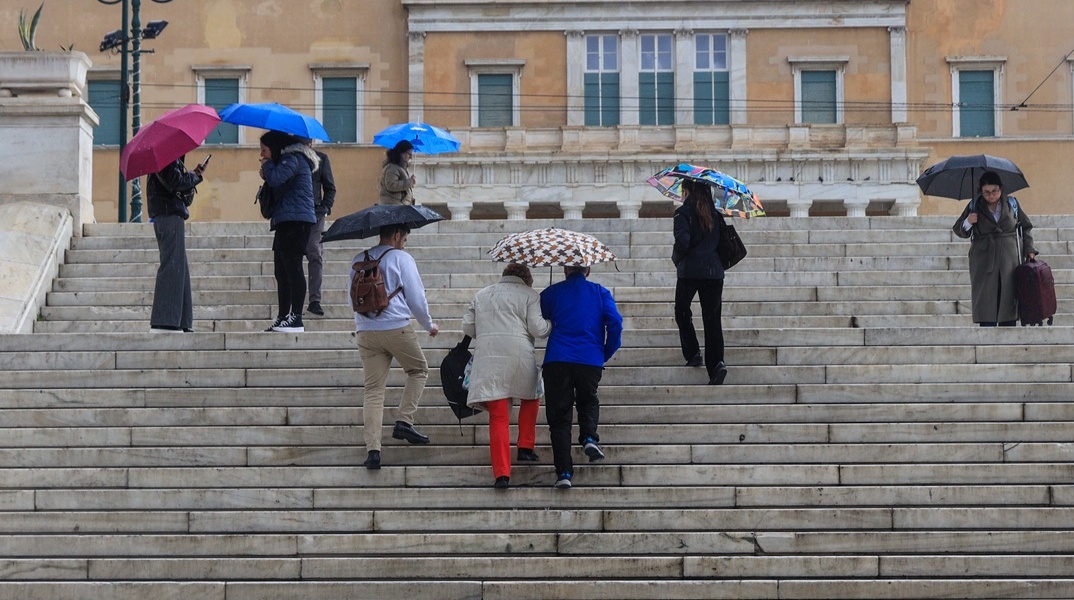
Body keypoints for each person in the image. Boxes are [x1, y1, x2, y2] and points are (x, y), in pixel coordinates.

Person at [353, 223, 439, 469]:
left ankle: (373, 451)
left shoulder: (360, 259)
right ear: (397, 234)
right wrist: (428, 325)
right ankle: (404, 421)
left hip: (366, 331)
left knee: (373, 391)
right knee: (418, 370)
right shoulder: (402, 258)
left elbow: (352, 296)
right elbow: (416, 297)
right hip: (396, 328)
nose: (405, 242)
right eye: (404, 238)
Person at [462, 263, 551, 489]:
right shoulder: (530, 295)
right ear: (527, 279)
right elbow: (538, 329)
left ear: (505, 275)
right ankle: (525, 447)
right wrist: (550, 324)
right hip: (520, 357)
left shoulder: (482, 295)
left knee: (499, 416)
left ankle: (502, 474)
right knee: (532, 397)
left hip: (489, 360)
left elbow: (468, 328)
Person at [540, 265, 623, 489]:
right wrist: (605, 352)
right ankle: (588, 437)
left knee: (559, 418)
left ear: (565, 268)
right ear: (588, 270)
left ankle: (564, 472)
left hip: (557, 358)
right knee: (588, 400)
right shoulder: (600, 292)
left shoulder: (552, 292)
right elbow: (615, 322)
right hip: (589, 359)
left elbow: (539, 320)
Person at [953, 171, 1037, 326]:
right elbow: (959, 229)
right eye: (986, 192)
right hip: (984, 256)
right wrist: (968, 221)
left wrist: (1029, 250)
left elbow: (1026, 227)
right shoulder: (974, 206)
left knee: (1008, 291)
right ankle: (986, 325)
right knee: (986, 295)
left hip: (1008, 256)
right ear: (981, 191)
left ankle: (1008, 324)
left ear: (1001, 189)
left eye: (994, 191)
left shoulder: (1012, 204)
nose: (991, 195)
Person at [259, 130, 319, 333]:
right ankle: (283, 316)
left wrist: (268, 167)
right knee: (281, 270)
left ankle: (297, 318)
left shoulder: (293, 159)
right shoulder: (286, 161)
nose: (262, 155)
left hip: (297, 221)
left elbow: (276, 179)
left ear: (274, 148)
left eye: (264, 150)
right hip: (286, 219)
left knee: (293, 268)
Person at [672, 179, 728, 385]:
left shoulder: (682, 213)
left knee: (682, 312)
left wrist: (676, 258)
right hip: (714, 272)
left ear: (686, 191)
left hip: (690, 272)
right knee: (712, 320)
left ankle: (693, 352)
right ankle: (716, 365)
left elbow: (682, 242)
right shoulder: (715, 214)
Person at [147, 155, 205, 333]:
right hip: (168, 215)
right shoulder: (166, 159)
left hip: (171, 215)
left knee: (180, 267)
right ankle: (166, 320)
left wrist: (194, 175)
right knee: (172, 266)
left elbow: (181, 191)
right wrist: (194, 176)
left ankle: (181, 319)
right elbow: (176, 183)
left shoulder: (172, 161)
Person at [301, 139, 336, 317]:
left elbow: (330, 188)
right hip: (296, 215)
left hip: (316, 213)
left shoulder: (321, 159)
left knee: (314, 251)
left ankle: (315, 299)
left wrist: (324, 207)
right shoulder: (291, 160)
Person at [378, 140, 416, 205]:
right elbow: (391, 185)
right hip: (393, 206)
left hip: (400, 206)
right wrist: (410, 182)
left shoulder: (400, 168)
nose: (410, 157)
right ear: (402, 154)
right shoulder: (392, 168)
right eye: (409, 154)